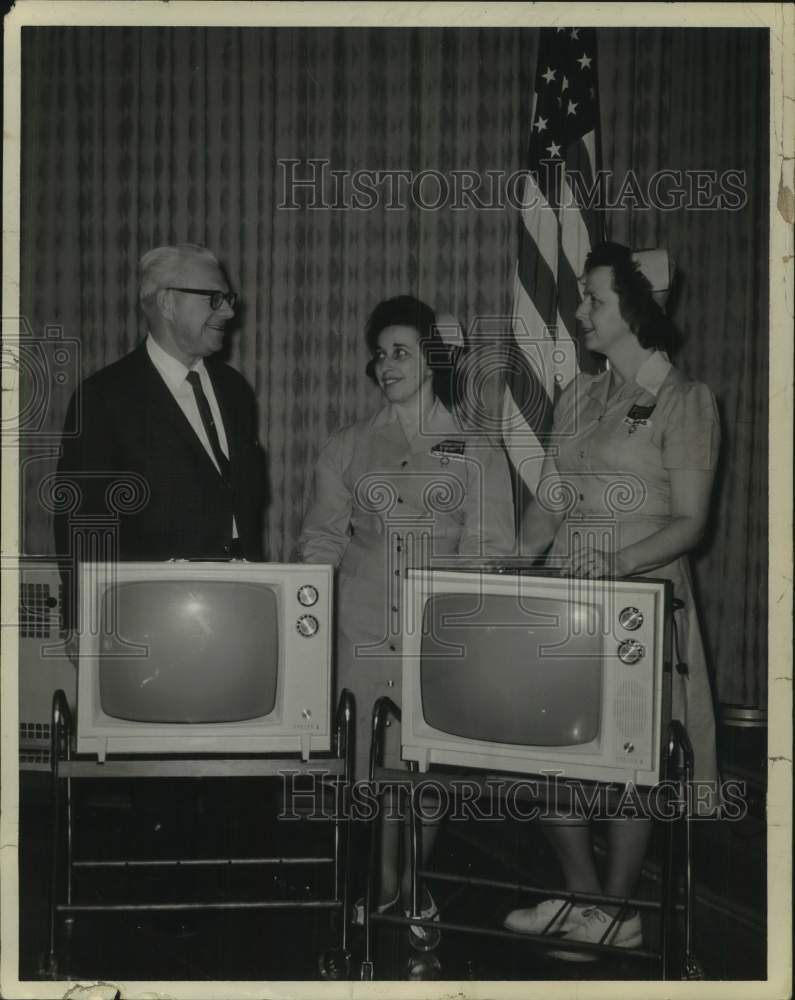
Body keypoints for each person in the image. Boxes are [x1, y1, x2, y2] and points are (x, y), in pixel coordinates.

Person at [503, 241, 720, 959]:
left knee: (629, 758)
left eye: (594, 299)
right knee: (545, 753)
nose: (580, 311)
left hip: (639, 602)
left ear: (635, 310)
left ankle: (618, 909)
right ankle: (583, 897)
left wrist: (616, 564)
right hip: (568, 599)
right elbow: (552, 501)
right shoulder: (582, 394)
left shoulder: (685, 401)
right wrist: (507, 566)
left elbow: (690, 522)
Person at [297, 294, 515, 935]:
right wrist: (309, 604)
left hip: (438, 634)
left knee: (425, 769)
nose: (384, 364)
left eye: (400, 352)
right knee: (377, 767)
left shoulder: (475, 446)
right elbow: (323, 538)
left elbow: (492, 549)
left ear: (433, 359)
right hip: (361, 629)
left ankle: (408, 886)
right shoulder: (347, 445)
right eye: (379, 354)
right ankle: (389, 886)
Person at [55, 243, 267, 610]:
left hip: (240, 602)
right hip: (150, 611)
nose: (230, 310)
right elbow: (82, 523)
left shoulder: (235, 390)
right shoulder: (104, 398)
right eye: (214, 298)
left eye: (228, 298)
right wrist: (80, 619)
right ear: (168, 303)